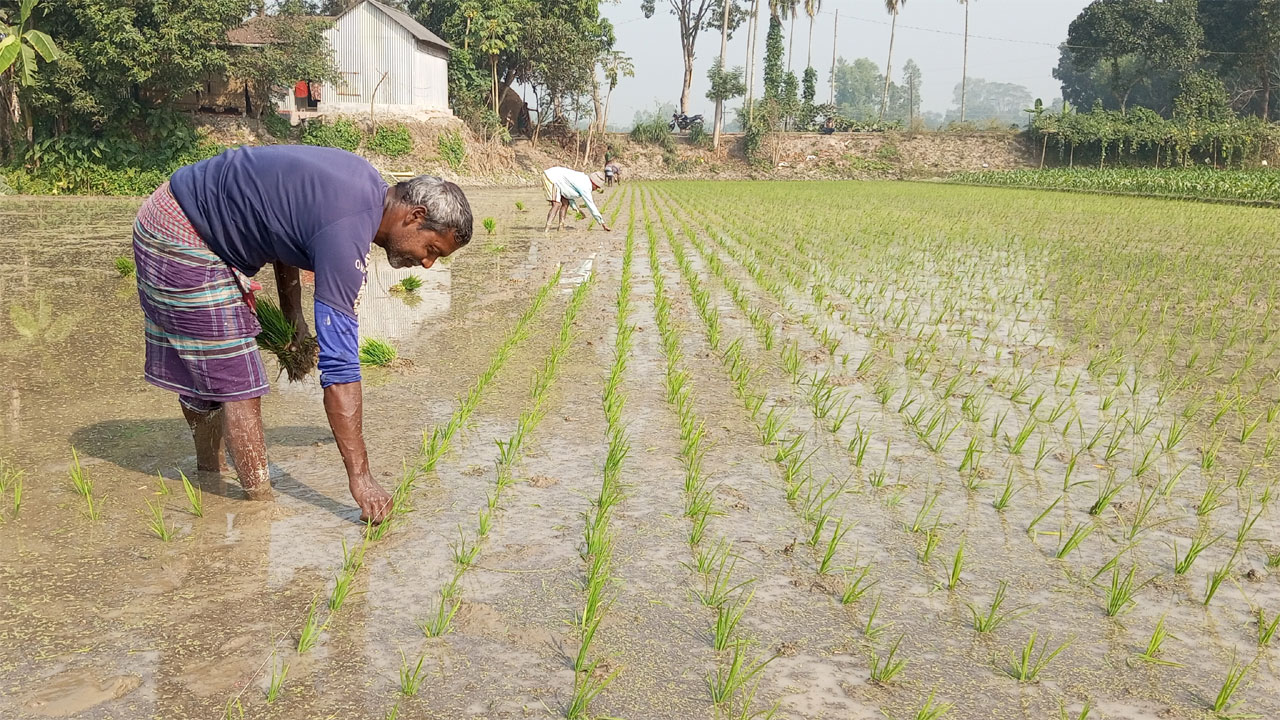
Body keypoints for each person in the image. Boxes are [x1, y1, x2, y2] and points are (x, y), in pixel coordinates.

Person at [133, 145, 473, 524]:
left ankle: (209, 474)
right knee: (239, 383)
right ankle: (258, 509)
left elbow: (286, 227)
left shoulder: (364, 186)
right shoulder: (349, 229)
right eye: (431, 250)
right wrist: (361, 479)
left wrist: (293, 314)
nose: (426, 264)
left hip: (172, 211)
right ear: (416, 215)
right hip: (183, 234)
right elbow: (341, 369)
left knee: (214, 371)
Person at [542, 166, 611, 232]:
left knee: (565, 203)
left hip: (558, 180)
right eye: (597, 187)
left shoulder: (584, 179)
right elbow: (590, 205)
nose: (595, 189)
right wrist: (602, 223)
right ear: (594, 184)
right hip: (551, 176)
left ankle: (561, 226)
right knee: (556, 204)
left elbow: (569, 194)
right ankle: (547, 228)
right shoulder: (585, 186)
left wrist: (577, 209)